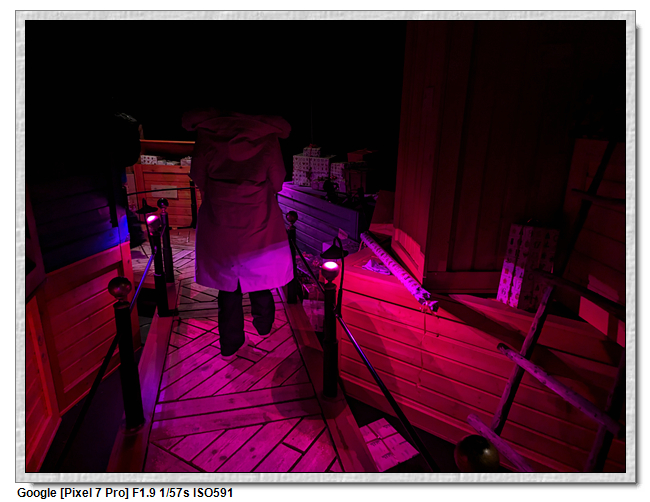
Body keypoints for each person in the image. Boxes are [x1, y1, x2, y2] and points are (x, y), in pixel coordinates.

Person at [182, 108, 293, 360]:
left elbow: (198, 175)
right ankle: (264, 324)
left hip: (220, 213)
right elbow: (278, 179)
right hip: (258, 211)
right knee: (260, 269)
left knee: (227, 279)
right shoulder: (267, 135)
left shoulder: (206, 132)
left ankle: (230, 343)